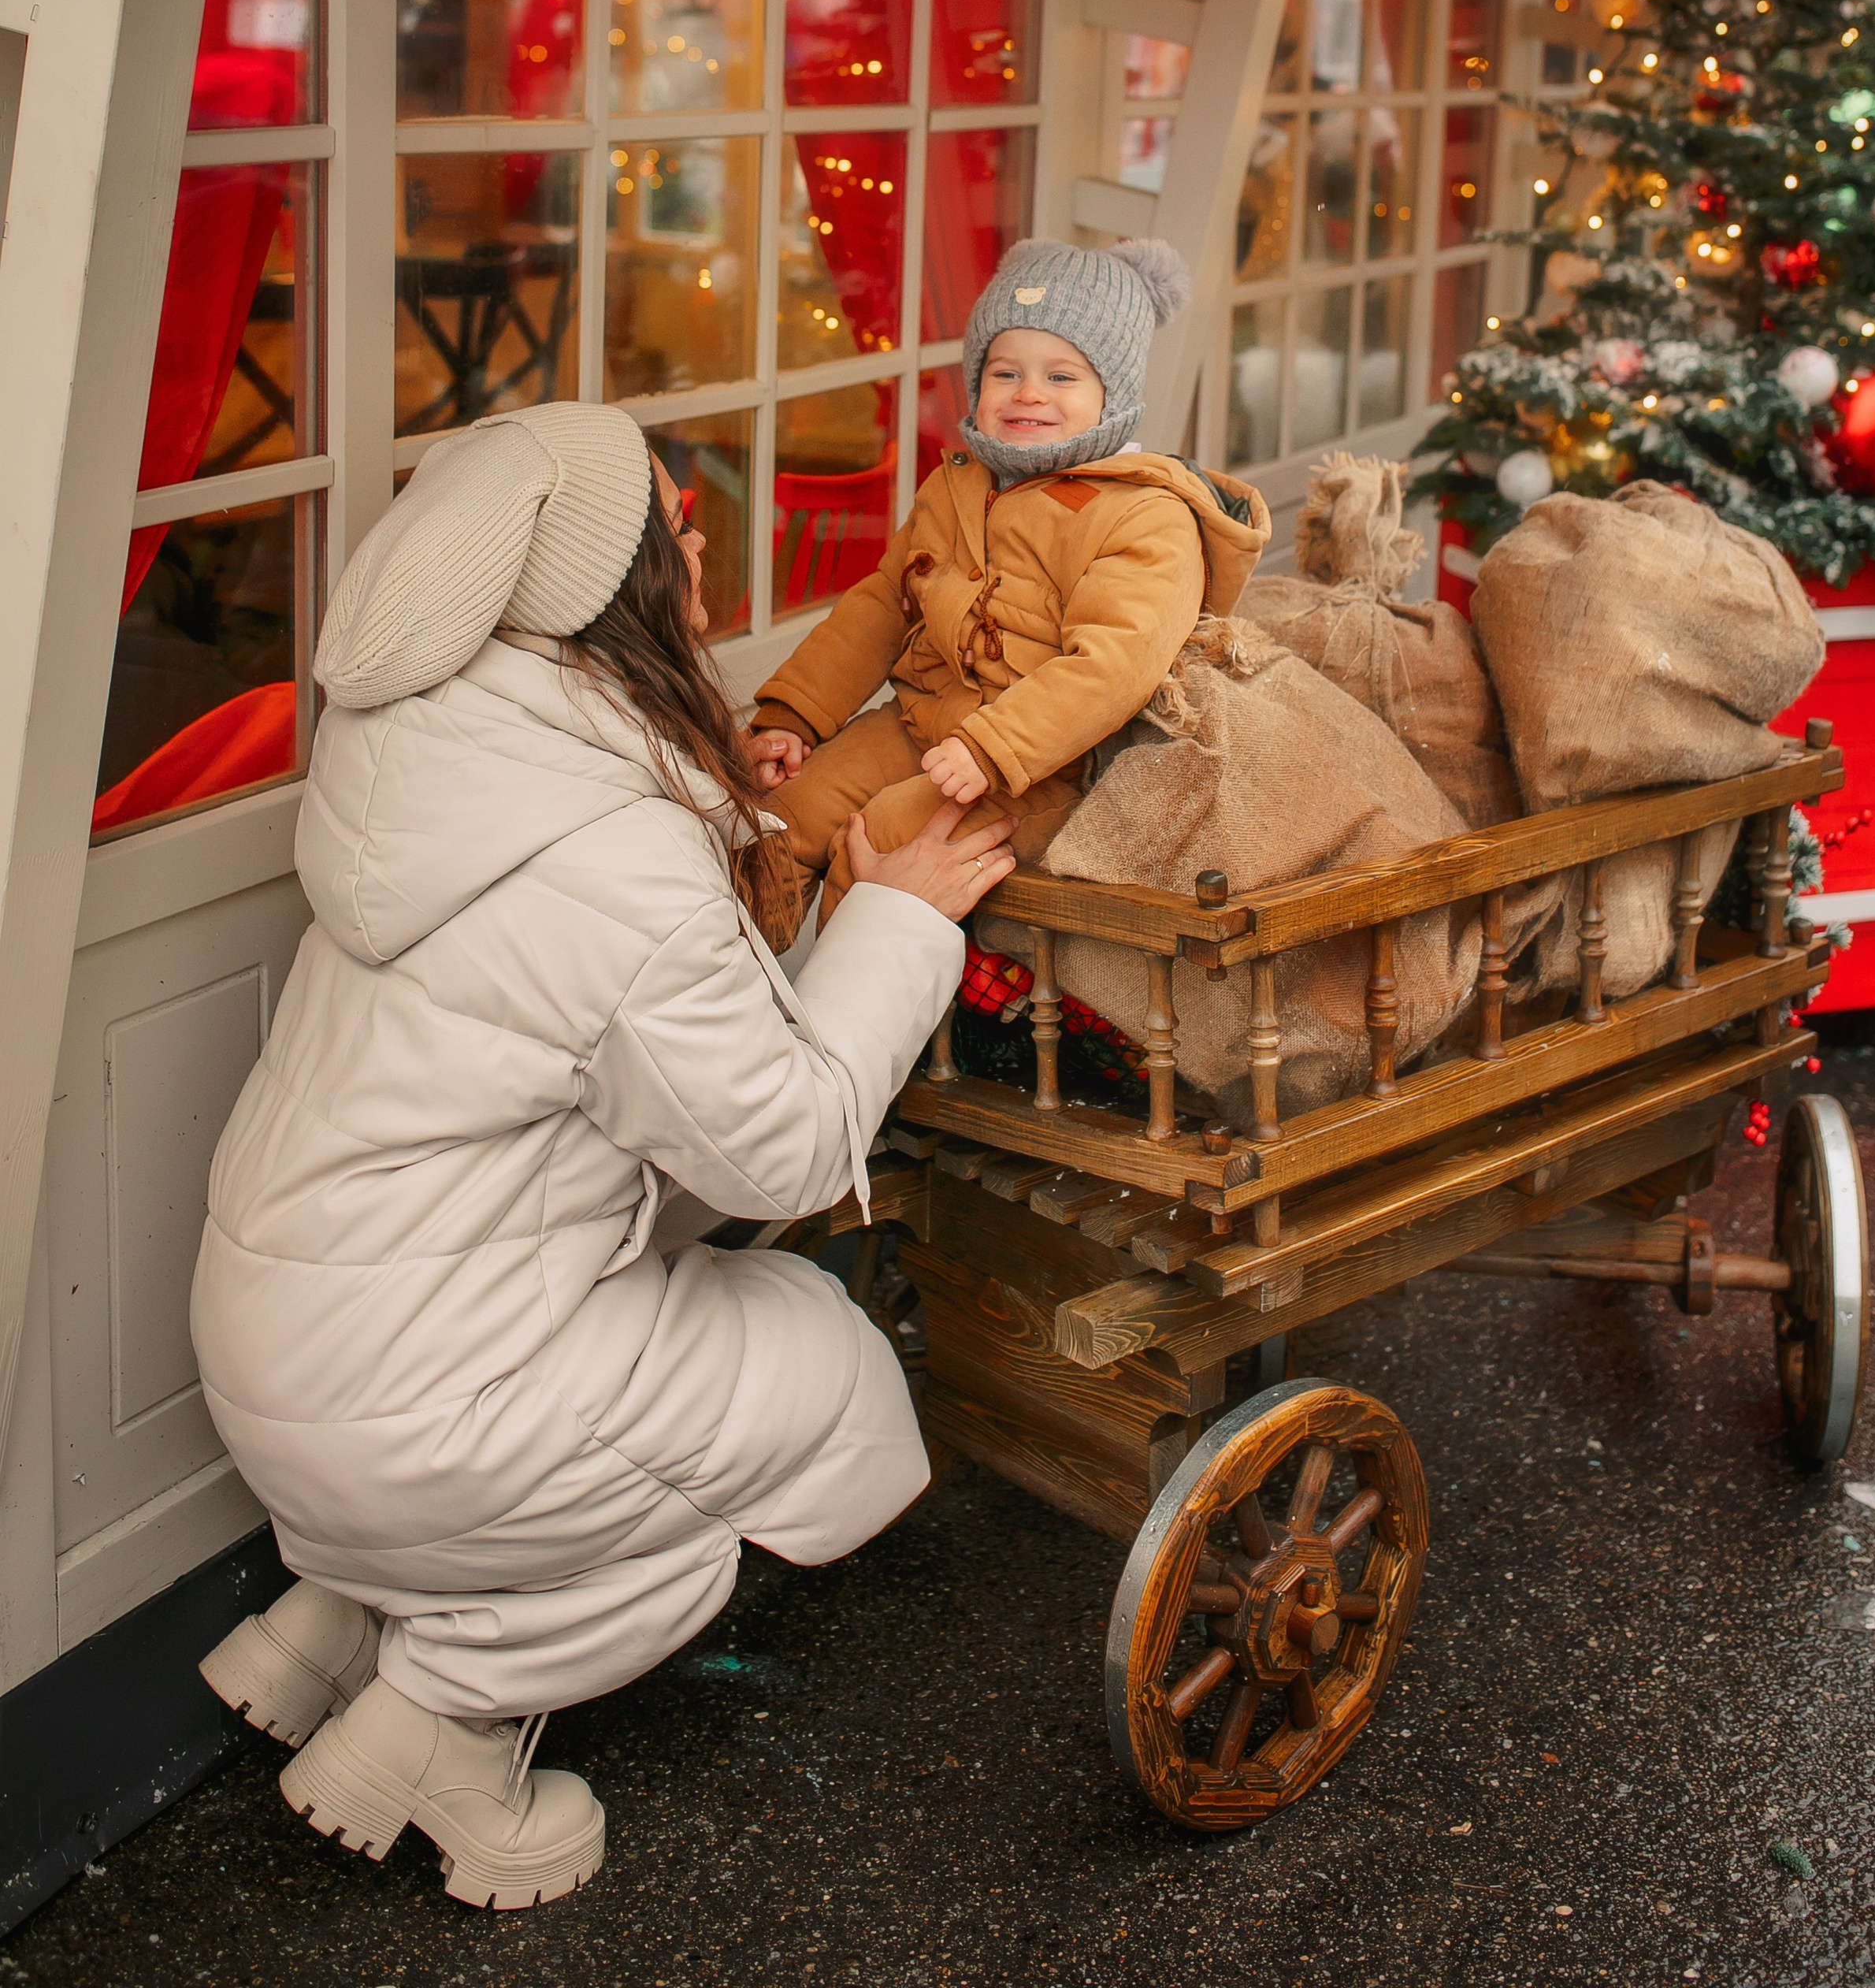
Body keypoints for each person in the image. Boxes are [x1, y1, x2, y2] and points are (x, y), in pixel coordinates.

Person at [190, 401, 1013, 1912]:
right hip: (407, 1408)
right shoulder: (609, 856)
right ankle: (446, 1727)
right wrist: (901, 919)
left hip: (281, 1356)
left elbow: (626, 1076)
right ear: (606, 584)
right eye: (672, 527)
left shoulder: (436, 762)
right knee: (808, 1367)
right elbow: (783, 1154)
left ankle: (337, 1623)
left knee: (629, 1323)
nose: (701, 541)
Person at [750, 238, 1269, 916]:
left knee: (880, 844)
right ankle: (737, 974)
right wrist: (794, 716)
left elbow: (1114, 665)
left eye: (1062, 377)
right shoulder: (956, 488)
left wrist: (993, 748)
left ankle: (847, 983)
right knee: (783, 819)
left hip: (1037, 771)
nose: (1028, 394)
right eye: (1005, 372)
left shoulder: (1144, 515)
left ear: (1113, 395)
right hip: (919, 724)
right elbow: (879, 608)